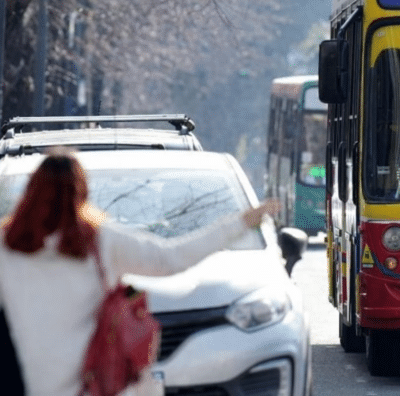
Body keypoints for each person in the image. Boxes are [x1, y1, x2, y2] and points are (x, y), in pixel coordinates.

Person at [0, 148, 280, 396]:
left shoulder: (6, 245)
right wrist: (241, 223)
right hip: (92, 385)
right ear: (81, 193)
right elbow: (171, 257)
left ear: (31, 191)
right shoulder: (100, 242)